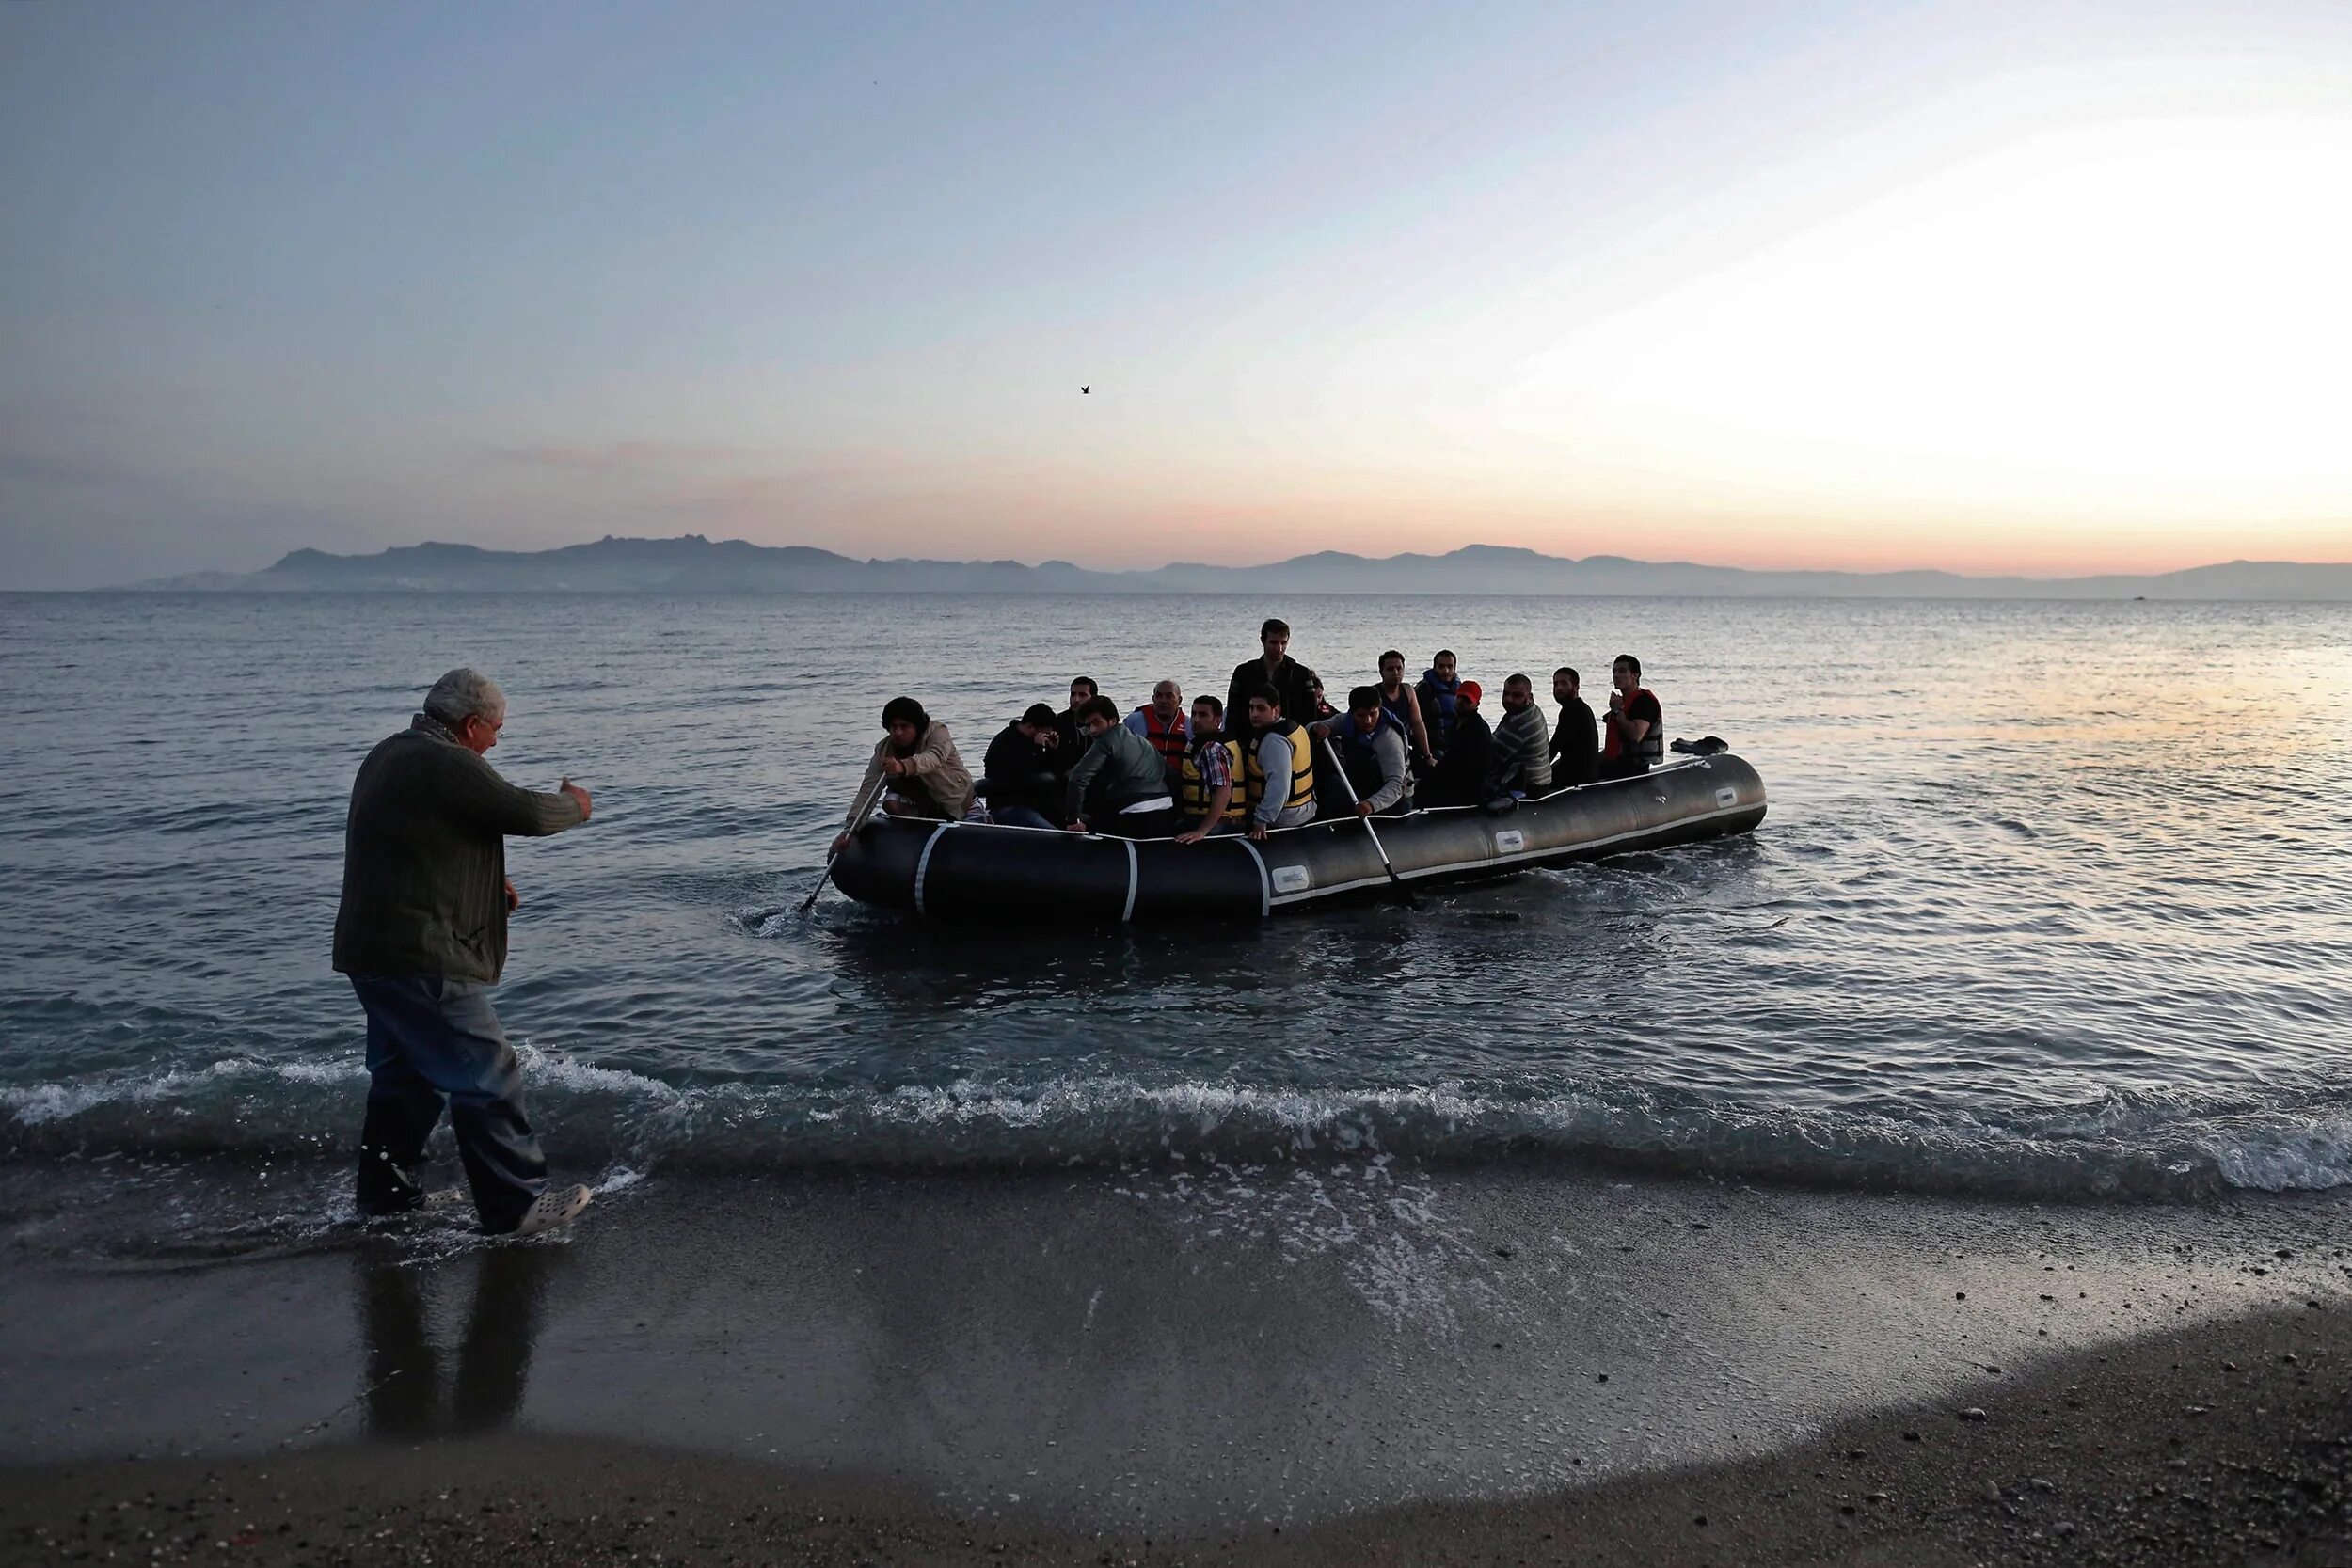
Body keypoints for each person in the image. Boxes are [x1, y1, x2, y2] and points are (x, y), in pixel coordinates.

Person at [332, 668, 596, 1239]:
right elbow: (524, 812)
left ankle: (386, 1200)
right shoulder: (445, 762)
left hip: (372, 951)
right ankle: (515, 1206)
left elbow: (409, 842)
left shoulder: (389, 754)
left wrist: (484, 884)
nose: (497, 741)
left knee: (406, 1081)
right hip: (418, 955)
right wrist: (574, 804)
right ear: (471, 724)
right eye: (496, 730)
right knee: (486, 1071)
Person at [833, 696, 973, 853]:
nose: (897, 733)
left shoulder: (937, 733)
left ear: (916, 727)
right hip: (920, 804)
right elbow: (867, 792)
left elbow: (934, 758)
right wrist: (850, 829)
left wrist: (903, 766)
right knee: (890, 802)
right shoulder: (883, 751)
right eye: (893, 727)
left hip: (956, 802)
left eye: (904, 727)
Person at [1065, 695, 1179, 838]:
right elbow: (1171, 775)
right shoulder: (1145, 743)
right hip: (1165, 809)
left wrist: (1073, 820)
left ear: (1112, 721)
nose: (1092, 730)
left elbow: (1078, 778)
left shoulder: (1106, 741)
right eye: (1088, 726)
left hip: (1133, 813)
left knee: (1090, 823)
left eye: (1096, 723)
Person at [1307, 685, 1414, 816]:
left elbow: (1396, 784)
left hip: (1394, 798)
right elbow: (1312, 727)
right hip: (1361, 786)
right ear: (1352, 713)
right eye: (1361, 716)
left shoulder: (1389, 739)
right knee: (1326, 803)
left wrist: (1371, 804)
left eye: (1373, 714)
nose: (1368, 721)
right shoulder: (1345, 720)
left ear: (1379, 710)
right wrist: (1316, 728)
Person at [1239, 685, 1317, 840]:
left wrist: (1261, 820)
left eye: (1261, 709)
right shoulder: (1293, 728)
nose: (1254, 714)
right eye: (1251, 708)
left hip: (1283, 817)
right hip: (1306, 808)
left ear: (1276, 710)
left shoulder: (1274, 741)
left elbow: (1279, 785)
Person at [1173, 694, 1246, 844]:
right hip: (1213, 819)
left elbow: (1223, 792)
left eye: (1203, 715)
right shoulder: (1207, 743)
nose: (1196, 720)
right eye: (1193, 714)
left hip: (1219, 823)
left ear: (1218, 720)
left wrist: (1202, 831)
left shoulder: (1212, 749)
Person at [1225, 618, 1321, 728]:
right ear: (1263, 641)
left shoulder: (1301, 673)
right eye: (1273, 642)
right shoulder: (1243, 672)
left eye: (1283, 643)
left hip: (1289, 737)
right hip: (1249, 737)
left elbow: (1311, 714)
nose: (1279, 649)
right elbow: (1233, 712)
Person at [981, 703, 1064, 830]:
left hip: (1037, 803)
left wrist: (1053, 750)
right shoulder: (1005, 743)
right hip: (1008, 804)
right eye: (1044, 734)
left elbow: (1052, 770)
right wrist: (1038, 749)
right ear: (1030, 727)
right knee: (1049, 832)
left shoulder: (1034, 742)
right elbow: (1023, 776)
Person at [1419, 678, 1492, 808]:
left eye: (1467, 700)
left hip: (1467, 789)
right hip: (1454, 779)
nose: (1462, 703)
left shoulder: (1477, 731)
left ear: (1477, 704)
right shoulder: (1456, 723)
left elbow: (1463, 768)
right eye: (1460, 698)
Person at [1486, 673, 1555, 800]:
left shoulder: (1520, 723)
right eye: (1506, 694)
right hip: (1541, 778)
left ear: (1529, 697)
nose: (1509, 699)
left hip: (1529, 785)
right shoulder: (1532, 710)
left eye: (1517, 695)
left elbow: (1493, 758)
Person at [1600, 653, 1664, 780]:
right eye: (1614, 672)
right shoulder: (1623, 701)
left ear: (1635, 675)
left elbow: (1636, 735)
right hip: (1616, 766)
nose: (1616, 675)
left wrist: (1617, 711)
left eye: (1622, 671)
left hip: (1633, 770)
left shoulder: (1644, 702)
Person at [1124, 679, 1191, 788]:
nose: (1163, 700)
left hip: (1177, 786)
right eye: (1159, 696)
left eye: (1169, 696)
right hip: (1142, 787)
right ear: (1153, 699)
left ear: (1179, 700)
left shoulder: (1189, 725)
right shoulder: (1134, 721)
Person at [1374, 650, 1435, 768]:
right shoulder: (1374, 694)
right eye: (1390, 669)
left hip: (1404, 747)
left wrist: (1428, 756)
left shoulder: (1408, 691)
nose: (1396, 672)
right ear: (1381, 672)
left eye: (1399, 668)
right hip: (1382, 749)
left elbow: (1417, 724)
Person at [1549, 666, 1599, 787]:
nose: (1559, 688)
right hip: (1584, 773)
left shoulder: (1572, 710)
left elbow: (1555, 745)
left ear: (1576, 687)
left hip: (1576, 777)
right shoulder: (1581, 707)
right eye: (1555, 684)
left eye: (1564, 684)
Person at [1415, 650, 1467, 764]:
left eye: (1450, 666)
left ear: (1455, 668)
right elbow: (1419, 722)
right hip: (1431, 746)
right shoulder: (1424, 689)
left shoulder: (1459, 688)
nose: (1446, 671)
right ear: (1435, 668)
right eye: (1441, 666)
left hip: (1453, 743)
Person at [1053, 677, 1100, 775]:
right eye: (1073, 694)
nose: (1076, 699)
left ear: (1093, 697)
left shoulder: (1102, 721)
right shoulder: (1059, 721)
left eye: (1082, 695)